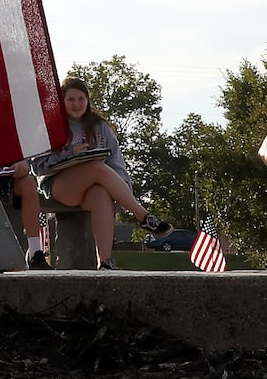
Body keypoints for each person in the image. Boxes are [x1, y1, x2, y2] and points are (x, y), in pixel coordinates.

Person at [31, 77, 172, 270]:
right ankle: (143, 216)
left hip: (93, 187)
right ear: (61, 102)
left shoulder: (100, 126)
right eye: (71, 99)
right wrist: (70, 154)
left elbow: (115, 162)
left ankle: (105, 261)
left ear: (88, 100)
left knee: (101, 194)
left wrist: (123, 188)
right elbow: (38, 166)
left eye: (81, 99)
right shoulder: (50, 126)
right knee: (95, 167)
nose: (77, 104)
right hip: (59, 186)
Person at [0, 160, 52, 269]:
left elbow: (24, 153)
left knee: (28, 184)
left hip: (3, 175)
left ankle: (34, 253)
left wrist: (22, 163)